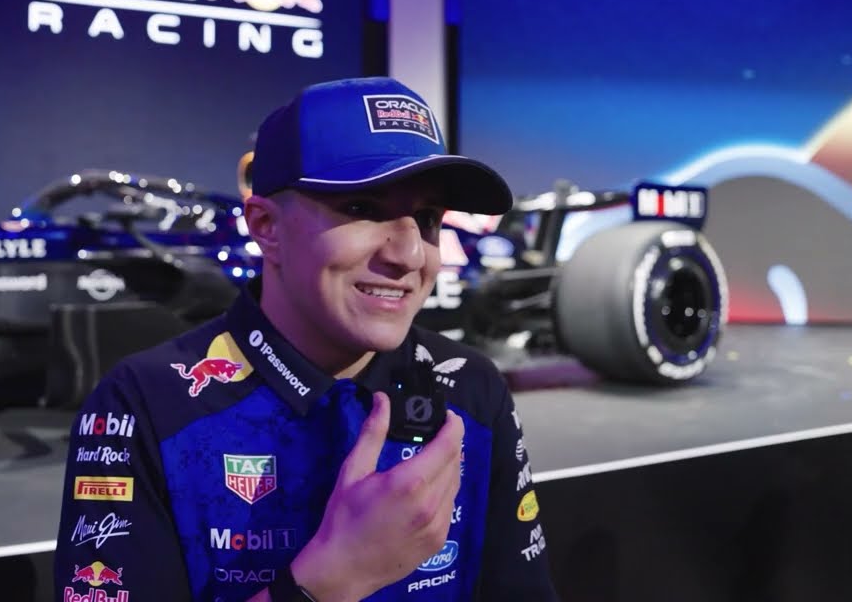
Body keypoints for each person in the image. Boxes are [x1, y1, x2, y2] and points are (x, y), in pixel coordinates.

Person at [53, 77, 559, 602]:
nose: (410, 255)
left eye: (428, 218)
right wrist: (334, 579)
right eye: (363, 208)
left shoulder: (470, 387)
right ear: (266, 227)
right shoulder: (144, 404)